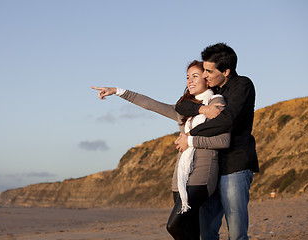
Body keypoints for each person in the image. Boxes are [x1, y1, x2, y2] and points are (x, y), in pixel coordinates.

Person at [91, 60, 230, 240]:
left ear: (206, 78)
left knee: (174, 226)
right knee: (191, 230)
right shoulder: (184, 109)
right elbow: (150, 104)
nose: (190, 81)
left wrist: (191, 141)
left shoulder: (216, 103)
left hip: (202, 174)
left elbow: (224, 140)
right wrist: (117, 91)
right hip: (180, 178)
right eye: (187, 77)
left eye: (195, 76)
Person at [175, 43, 259, 240]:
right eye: (203, 70)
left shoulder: (243, 86)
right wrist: (201, 109)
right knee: (207, 232)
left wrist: (191, 137)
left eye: (209, 71)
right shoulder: (212, 93)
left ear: (226, 71)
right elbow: (181, 105)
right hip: (211, 170)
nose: (204, 75)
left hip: (235, 166)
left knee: (236, 233)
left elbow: (227, 120)